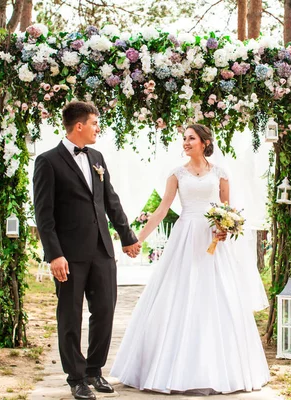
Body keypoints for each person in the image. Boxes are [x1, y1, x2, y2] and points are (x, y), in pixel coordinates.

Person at [110, 124, 270, 394]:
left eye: (191, 138)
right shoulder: (176, 174)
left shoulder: (221, 173)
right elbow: (162, 209)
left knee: (219, 296)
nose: (185, 142)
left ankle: (222, 368)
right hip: (185, 238)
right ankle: (165, 366)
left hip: (212, 241)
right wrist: (138, 239)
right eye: (184, 138)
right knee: (177, 293)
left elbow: (226, 208)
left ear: (205, 142)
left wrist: (225, 227)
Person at [33, 101, 141, 400]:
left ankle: (95, 370)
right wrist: (54, 254)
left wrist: (127, 236)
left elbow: (110, 200)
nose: (98, 128)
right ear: (78, 125)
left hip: (101, 250)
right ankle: (76, 377)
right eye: (95, 123)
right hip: (68, 254)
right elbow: (44, 214)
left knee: (104, 311)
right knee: (70, 316)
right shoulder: (48, 161)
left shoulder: (97, 157)